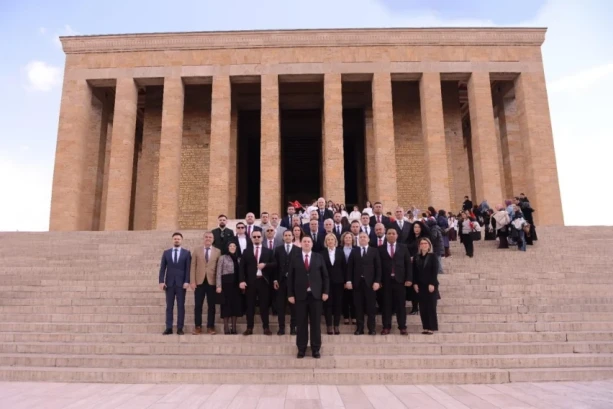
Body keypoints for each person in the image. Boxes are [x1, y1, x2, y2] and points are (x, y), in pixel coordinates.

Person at [288, 236, 329, 359]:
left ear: (312, 244)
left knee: (316, 324)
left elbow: (325, 276)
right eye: (304, 241)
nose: (306, 243)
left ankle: (316, 349)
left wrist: (325, 292)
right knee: (301, 323)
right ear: (301, 244)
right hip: (300, 296)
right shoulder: (295, 258)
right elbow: (290, 278)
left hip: (316, 296)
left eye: (308, 241)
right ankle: (301, 349)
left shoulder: (319, 257)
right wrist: (290, 294)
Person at [239, 230, 276, 336]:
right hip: (250, 282)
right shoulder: (246, 251)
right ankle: (249, 328)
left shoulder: (268, 251)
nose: (256, 238)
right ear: (251, 238)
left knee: (264, 306)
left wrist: (265, 265)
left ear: (262, 238)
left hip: (263, 281)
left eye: (258, 236)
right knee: (250, 305)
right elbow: (242, 267)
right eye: (254, 237)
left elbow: (274, 264)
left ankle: (266, 327)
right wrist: (241, 280)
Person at [346, 231, 381, 335]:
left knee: (371, 307)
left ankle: (372, 328)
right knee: (358, 307)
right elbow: (350, 267)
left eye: (364, 237)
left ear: (368, 239)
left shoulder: (374, 251)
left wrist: (377, 281)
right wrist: (349, 281)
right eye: (360, 237)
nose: (362, 239)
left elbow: (378, 268)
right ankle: (359, 328)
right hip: (357, 283)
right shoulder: (354, 251)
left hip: (370, 284)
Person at [379, 228, 412, 335]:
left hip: (400, 281)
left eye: (393, 233)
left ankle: (402, 327)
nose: (391, 235)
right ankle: (386, 327)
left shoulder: (403, 248)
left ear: (397, 235)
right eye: (389, 233)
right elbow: (378, 266)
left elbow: (408, 264)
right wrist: (378, 280)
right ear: (386, 235)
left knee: (401, 305)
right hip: (386, 281)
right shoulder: (380, 249)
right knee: (386, 305)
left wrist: (409, 278)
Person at [158, 232, 191, 335]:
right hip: (169, 284)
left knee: (181, 306)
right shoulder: (166, 253)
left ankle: (180, 328)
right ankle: (169, 327)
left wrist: (187, 281)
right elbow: (162, 268)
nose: (177, 240)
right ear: (172, 240)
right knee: (169, 306)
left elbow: (188, 269)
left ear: (181, 240)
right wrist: (161, 281)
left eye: (178, 239)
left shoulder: (186, 253)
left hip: (181, 284)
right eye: (175, 239)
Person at [190, 231, 221, 335]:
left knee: (211, 306)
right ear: (203, 238)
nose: (208, 239)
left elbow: (219, 268)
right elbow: (193, 266)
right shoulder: (197, 250)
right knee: (198, 305)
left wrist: (218, 284)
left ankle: (210, 327)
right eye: (206, 237)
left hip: (212, 282)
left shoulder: (218, 251)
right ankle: (197, 327)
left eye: (210, 237)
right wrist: (192, 281)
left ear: (213, 239)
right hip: (199, 282)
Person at [274, 230, 299, 335]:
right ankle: (281, 328)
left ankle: (293, 327)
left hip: (294, 283)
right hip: (281, 282)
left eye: (289, 235)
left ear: (293, 237)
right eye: (286, 235)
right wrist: (275, 279)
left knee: (294, 306)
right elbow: (275, 266)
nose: (288, 237)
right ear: (283, 237)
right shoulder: (278, 249)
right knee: (281, 306)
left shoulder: (298, 250)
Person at [413, 238, 440, 335]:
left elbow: (435, 271)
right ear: (419, 246)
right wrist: (415, 283)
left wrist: (432, 283)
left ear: (429, 245)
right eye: (421, 243)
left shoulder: (433, 256)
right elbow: (414, 271)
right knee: (423, 307)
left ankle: (432, 327)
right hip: (420, 285)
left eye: (425, 243)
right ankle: (425, 327)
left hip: (430, 285)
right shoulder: (416, 257)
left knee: (431, 307)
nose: (423, 245)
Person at [215, 242, 242, 334]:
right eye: (230, 246)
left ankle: (234, 327)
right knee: (226, 306)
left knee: (235, 306)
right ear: (227, 247)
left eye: (234, 246)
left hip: (236, 285)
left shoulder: (239, 259)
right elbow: (218, 272)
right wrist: (218, 286)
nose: (232, 247)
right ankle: (226, 327)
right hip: (226, 284)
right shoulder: (222, 257)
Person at [321, 233, 345, 335]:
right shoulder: (322, 253)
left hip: (339, 282)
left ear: (335, 241)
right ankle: (329, 326)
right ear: (326, 242)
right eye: (328, 240)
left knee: (338, 304)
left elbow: (344, 267)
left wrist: (345, 281)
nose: (330, 241)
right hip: (326, 283)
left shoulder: (340, 252)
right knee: (328, 304)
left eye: (332, 239)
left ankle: (336, 325)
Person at [340, 231, 357, 325]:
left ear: (352, 239)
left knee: (354, 297)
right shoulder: (339, 250)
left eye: (349, 238)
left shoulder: (356, 249)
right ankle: (346, 316)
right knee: (344, 297)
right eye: (346, 238)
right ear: (343, 239)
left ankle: (354, 316)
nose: (348, 239)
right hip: (342, 276)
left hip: (354, 276)